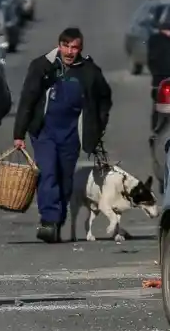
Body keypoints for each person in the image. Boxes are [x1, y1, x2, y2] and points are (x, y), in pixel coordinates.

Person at [12, 27, 113, 243]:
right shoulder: (42, 66)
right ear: (59, 46)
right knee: (47, 172)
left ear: (80, 48)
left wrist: (97, 125)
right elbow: (27, 99)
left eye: (74, 47)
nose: (69, 51)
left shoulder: (89, 71)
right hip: (44, 131)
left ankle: (58, 220)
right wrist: (18, 133)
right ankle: (48, 221)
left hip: (71, 133)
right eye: (65, 46)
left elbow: (105, 98)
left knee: (65, 179)